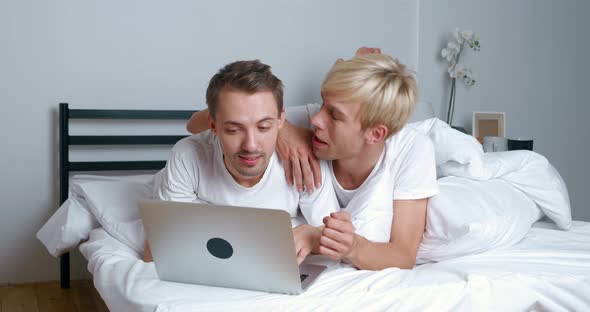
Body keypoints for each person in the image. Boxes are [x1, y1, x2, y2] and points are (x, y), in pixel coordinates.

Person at [186, 48, 438, 270]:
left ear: (375, 134)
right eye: (322, 105)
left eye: (334, 116)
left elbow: (403, 256)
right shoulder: (307, 119)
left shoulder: (413, 151)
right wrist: (282, 129)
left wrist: (350, 247)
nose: (316, 120)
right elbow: (195, 124)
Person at [145, 59, 339, 263]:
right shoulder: (187, 156)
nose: (251, 145)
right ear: (212, 124)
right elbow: (157, 251)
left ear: (281, 120)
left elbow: (330, 234)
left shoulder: (304, 162)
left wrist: (311, 234)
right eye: (233, 130)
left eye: (263, 127)